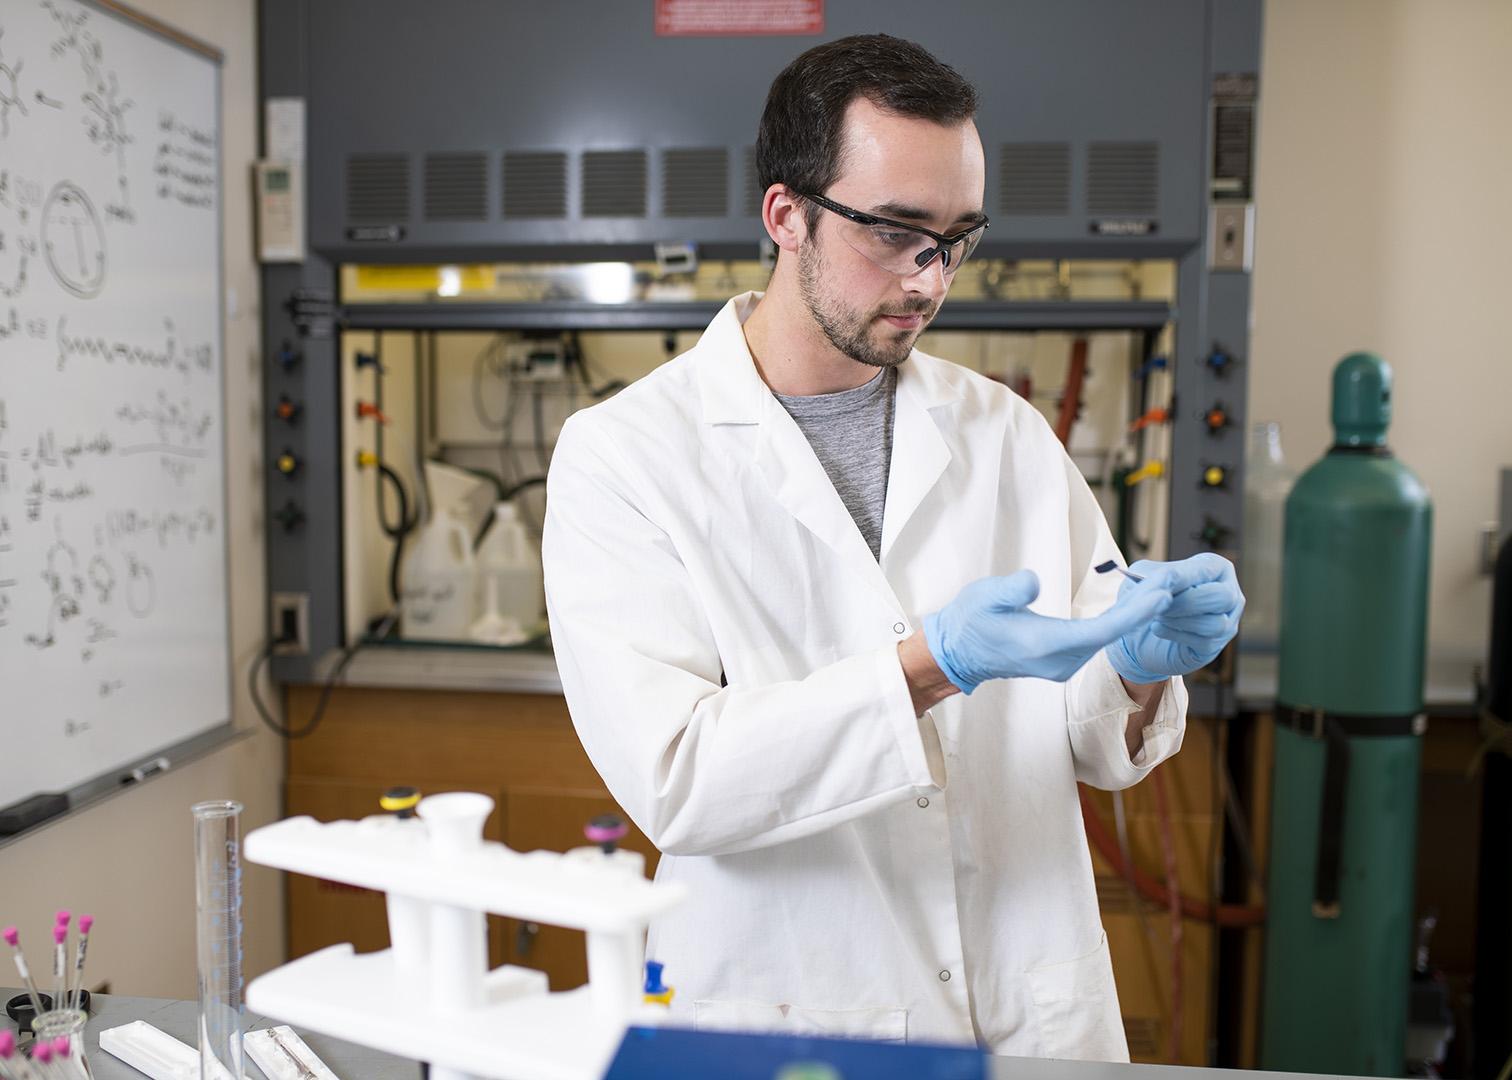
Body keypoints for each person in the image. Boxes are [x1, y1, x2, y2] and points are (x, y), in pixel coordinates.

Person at [542, 33, 1244, 1061]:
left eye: (957, 237)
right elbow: (679, 779)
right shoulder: (628, 456)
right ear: (787, 215)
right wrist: (927, 667)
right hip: (787, 1014)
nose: (927, 276)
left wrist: (1135, 670)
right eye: (895, 231)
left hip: (1027, 1011)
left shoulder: (1001, 433)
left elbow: (1095, 744)